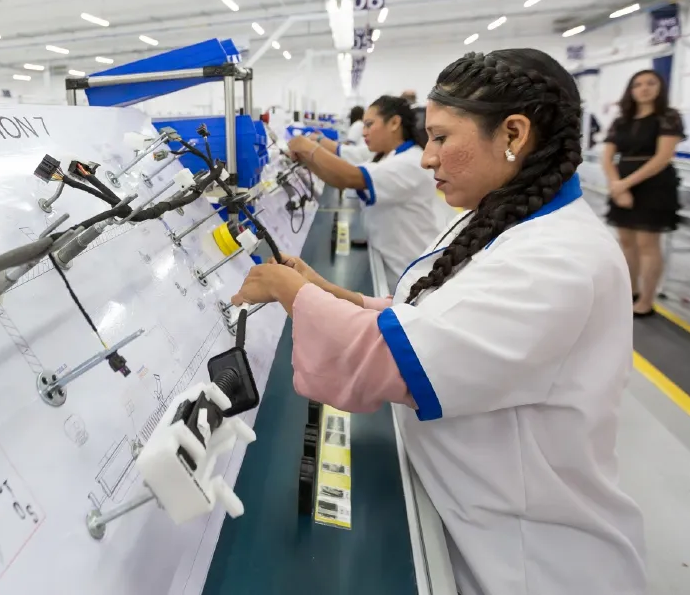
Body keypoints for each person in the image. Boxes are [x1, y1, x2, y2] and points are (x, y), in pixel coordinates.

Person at [234, 49, 646, 595]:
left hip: (530, 558)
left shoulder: (558, 260)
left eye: (441, 138)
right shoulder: (502, 219)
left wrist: (290, 292)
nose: (427, 158)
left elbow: (389, 361)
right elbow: (426, 318)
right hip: (478, 512)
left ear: (514, 134)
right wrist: (323, 291)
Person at [287, 95, 446, 285]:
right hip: (394, 261)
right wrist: (306, 159)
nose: (363, 132)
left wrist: (309, 147)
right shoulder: (386, 156)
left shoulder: (409, 162)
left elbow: (350, 177)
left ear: (394, 123)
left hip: (410, 268)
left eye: (369, 125)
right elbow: (339, 179)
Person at [602, 69, 684, 316]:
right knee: (626, 241)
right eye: (638, 84)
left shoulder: (668, 117)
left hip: (654, 184)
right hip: (621, 181)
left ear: (660, 88)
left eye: (650, 83)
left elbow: (663, 157)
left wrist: (624, 184)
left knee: (647, 243)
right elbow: (607, 158)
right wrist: (616, 185)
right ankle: (631, 291)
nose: (644, 88)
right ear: (631, 90)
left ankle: (647, 300)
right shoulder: (621, 121)